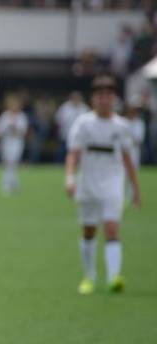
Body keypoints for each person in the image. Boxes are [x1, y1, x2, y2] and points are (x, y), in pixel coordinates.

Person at [65, 76, 141, 295]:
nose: (104, 100)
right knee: (89, 231)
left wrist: (135, 189)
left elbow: (128, 159)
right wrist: (69, 177)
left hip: (113, 183)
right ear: (93, 99)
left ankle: (114, 276)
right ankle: (89, 276)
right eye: (100, 95)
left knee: (111, 228)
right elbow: (73, 153)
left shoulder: (121, 126)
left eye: (108, 95)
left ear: (113, 98)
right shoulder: (83, 123)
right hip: (87, 182)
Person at [0, 96, 28, 196]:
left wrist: (14, 127)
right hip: (6, 141)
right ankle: (10, 183)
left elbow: (23, 131)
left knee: (13, 161)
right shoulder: (5, 116)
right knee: (7, 162)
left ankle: (10, 183)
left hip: (17, 141)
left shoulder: (21, 116)